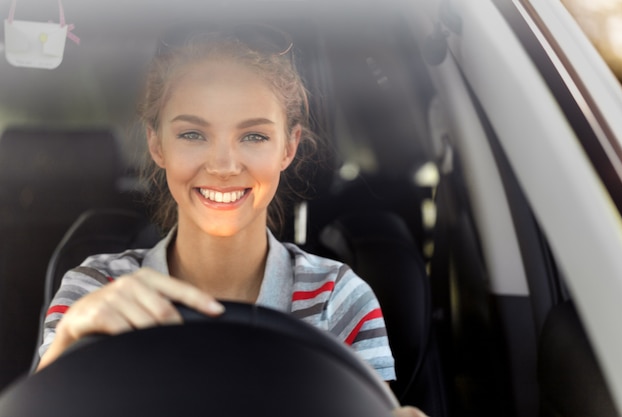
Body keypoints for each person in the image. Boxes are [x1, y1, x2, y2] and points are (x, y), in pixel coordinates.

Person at [36, 24, 425, 417]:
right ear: (156, 144)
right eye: (192, 134)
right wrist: (68, 344)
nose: (223, 166)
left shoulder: (336, 300)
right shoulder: (94, 292)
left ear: (288, 148)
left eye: (254, 136)